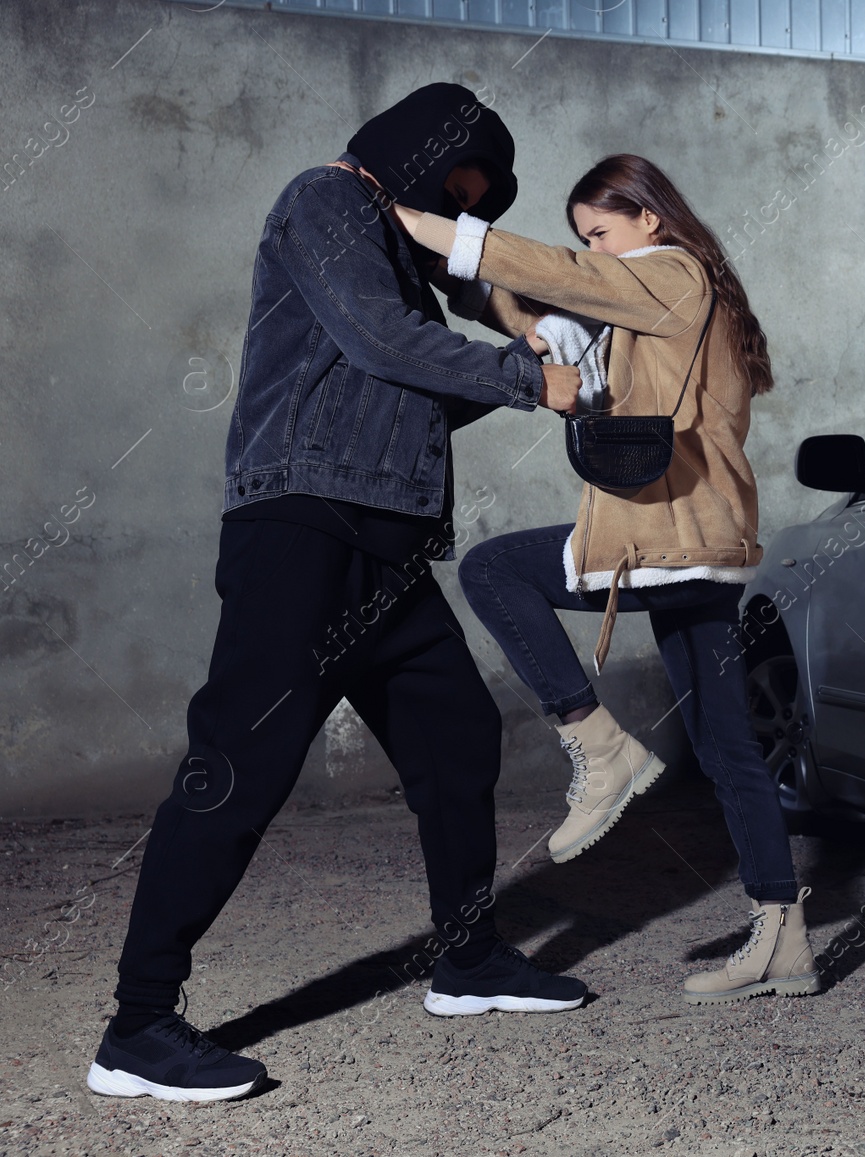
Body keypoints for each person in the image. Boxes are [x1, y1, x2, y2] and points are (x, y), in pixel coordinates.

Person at [87, 84, 587, 1104]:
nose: (463, 205)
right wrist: (525, 377)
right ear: (419, 150)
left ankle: (466, 958)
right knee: (239, 765)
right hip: (303, 534)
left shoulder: (399, 263)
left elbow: (419, 389)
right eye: (459, 182)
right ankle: (137, 1026)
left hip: (389, 550)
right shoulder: (326, 201)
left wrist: (524, 354)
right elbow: (378, 339)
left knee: (457, 741)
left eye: (476, 197)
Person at [394, 154, 821, 1005]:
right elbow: (553, 309)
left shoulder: (670, 274)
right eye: (585, 238)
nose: (591, 251)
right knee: (727, 747)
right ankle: (784, 939)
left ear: (650, 220)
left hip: (664, 534)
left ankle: (600, 743)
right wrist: (461, 278)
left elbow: (561, 279)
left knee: (492, 569)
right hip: (705, 542)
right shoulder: (673, 291)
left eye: (601, 234)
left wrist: (420, 226)